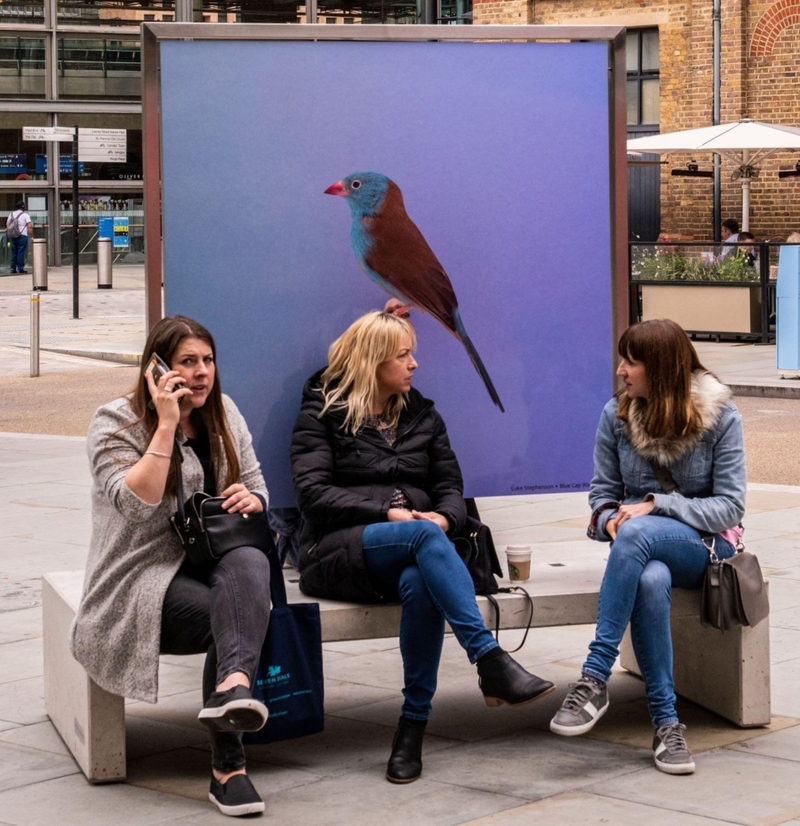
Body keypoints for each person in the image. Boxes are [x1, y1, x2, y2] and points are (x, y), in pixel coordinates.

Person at [290, 310, 554, 784]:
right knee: (424, 539)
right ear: (373, 362)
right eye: (403, 355)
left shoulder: (423, 415)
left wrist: (445, 515)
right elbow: (313, 494)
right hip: (336, 552)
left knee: (421, 579)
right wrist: (387, 512)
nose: (415, 364)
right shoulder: (322, 413)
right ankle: (489, 661)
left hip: (410, 549)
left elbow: (451, 485)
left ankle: (411, 728)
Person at [71, 315, 272, 817]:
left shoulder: (225, 412)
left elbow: (259, 487)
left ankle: (233, 690)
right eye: (188, 362)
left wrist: (253, 499)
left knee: (249, 559)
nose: (202, 372)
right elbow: (137, 504)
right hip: (139, 579)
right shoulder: (114, 421)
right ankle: (230, 765)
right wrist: (164, 423)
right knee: (232, 619)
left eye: (208, 360)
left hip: (215, 562)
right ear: (156, 368)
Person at [549, 318, 745, 775]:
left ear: (660, 370)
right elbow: (601, 498)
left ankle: (594, 676)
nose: (620, 371)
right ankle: (667, 725)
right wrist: (609, 523)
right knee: (651, 579)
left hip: (703, 548)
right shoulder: (614, 417)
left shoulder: (720, 418)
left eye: (630, 362)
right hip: (641, 552)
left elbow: (730, 508)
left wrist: (657, 505)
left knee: (641, 533)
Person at [7, 200, 33, 274]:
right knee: (21, 252)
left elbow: (7, 224)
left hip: (12, 236)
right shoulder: (25, 215)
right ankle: (20, 268)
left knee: (13, 252)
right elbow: (29, 226)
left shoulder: (11, 214)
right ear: (23, 207)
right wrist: (32, 236)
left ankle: (13, 268)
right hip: (22, 235)